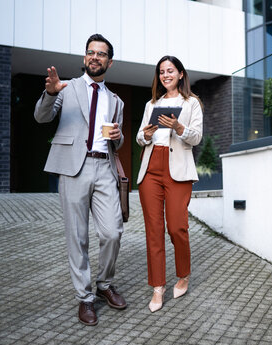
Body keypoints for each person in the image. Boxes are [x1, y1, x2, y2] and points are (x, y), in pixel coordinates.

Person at [34, 34, 127, 326]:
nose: (95, 57)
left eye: (101, 54)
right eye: (91, 52)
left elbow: (120, 140)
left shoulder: (116, 101)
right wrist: (50, 93)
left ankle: (104, 284)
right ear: (84, 57)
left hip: (105, 169)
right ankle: (85, 299)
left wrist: (119, 136)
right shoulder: (67, 87)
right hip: (73, 167)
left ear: (109, 62)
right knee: (78, 236)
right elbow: (41, 117)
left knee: (112, 231)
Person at [136, 55, 203, 312]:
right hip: (151, 168)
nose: (166, 75)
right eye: (162, 72)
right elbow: (140, 138)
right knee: (154, 230)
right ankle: (157, 287)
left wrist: (177, 126)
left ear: (181, 74)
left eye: (170, 71)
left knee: (177, 227)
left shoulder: (192, 103)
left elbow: (196, 138)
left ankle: (183, 274)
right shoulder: (151, 104)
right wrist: (146, 134)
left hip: (178, 170)